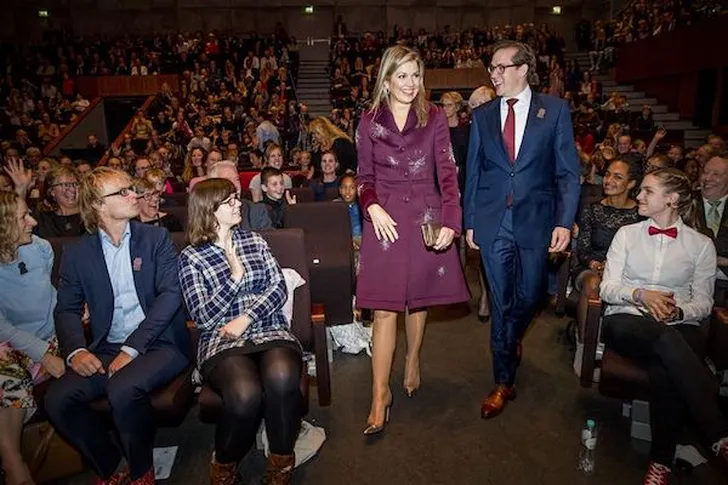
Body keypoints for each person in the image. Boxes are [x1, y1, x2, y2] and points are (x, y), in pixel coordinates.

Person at [44, 167, 190, 485]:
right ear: (98, 204)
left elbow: (170, 296)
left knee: (122, 387)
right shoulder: (78, 253)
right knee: (58, 399)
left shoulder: (155, 238)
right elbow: (66, 308)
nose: (134, 195)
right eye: (123, 192)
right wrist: (76, 350)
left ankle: (141, 471)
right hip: (107, 346)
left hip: (160, 343)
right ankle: (110, 467)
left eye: (131, 188)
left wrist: (132, 348)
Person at [356, 44, 469, 435]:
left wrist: (451, 222)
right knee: (383, 309)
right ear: (387, 80)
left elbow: (448, 173)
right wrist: (372, 206)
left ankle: (413, 357)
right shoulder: (369, 121)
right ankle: (379, 395)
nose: (410, 83)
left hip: (425, 215)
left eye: (416, 75)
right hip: (384, 220)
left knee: (418, 297)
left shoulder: (434, 116)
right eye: (402, 75)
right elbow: (363, 178)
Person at [464, 40, 581, 419]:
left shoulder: (555, 110)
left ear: (523, 69)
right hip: (493, 221)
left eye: (500, 67)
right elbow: (474, 172)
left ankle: (511, 337)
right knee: (500, 303)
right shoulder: (482, 115)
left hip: (536, 221)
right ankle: (503, 380)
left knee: (530, 296)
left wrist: (564, 221)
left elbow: (568, 173)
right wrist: (470, 222)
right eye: (492, 68)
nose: (493, 74)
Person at [599, 168, 728, 484]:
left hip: (678, 323)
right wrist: (641, 295)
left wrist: (676, 311)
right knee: (668, 344)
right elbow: (607, 288)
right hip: (627, 317)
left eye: (648, 191)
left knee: (666, 363)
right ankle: (718, 432)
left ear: (672, 199)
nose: (639, 196)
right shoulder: (627, 235)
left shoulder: (701, 245)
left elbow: (703, 302)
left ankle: (660, 464)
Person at [178, 178, 302, 485]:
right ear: (210, 210)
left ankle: (281, 464)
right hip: (221, 340)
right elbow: (203, 317)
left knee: (282, 377)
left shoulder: (254, 241)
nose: (239, 204)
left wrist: (246, 317)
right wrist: (234, 278)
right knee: (245, 394)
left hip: (268, 328)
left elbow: (278, 288)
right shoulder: (191, 257)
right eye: (230, 201)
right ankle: (223, 467)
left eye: (237, 198)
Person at [0, 191, 65, 485]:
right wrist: (42, 353)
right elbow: (3, 327)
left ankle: (13, 468)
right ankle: (15, 464)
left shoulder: (40, 248)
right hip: (13, 343)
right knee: (6, 372)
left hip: (49, 337)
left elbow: (51, 296)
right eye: (23, 217)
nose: (33, 222)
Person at [573, 158, 643, 325]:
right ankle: (585, 340)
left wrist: (613, 268)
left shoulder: (641, 214)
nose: (608, 180)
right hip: (590, 267)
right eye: (607, 175)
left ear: (631, 183)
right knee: (593, 283)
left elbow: (641, 254)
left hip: (626, 272)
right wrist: (595, 265)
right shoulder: (592, 208)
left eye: (617, 177)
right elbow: (583, 248)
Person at [209, 160, 273, 230]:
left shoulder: (256, 211)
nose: (234, 185)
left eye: (236, 179)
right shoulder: (205, 214)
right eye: (227, 181)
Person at [34, 166, 86, 238]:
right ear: (52, 192)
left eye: (76, 184)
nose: (72, 189)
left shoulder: (90, 216)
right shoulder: (43, 218)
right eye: (65, 185)